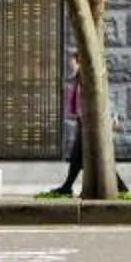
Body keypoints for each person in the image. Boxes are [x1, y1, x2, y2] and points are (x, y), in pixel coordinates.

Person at [40, 48, 85, 196]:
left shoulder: (85, 78)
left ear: (79, 62)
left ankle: (67, 187)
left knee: (78, 157)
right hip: (82, 121)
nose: (71, 64)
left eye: (73, 61)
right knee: (79, 158)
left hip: (87, 124)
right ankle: (67, 186)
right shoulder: (79, 77)